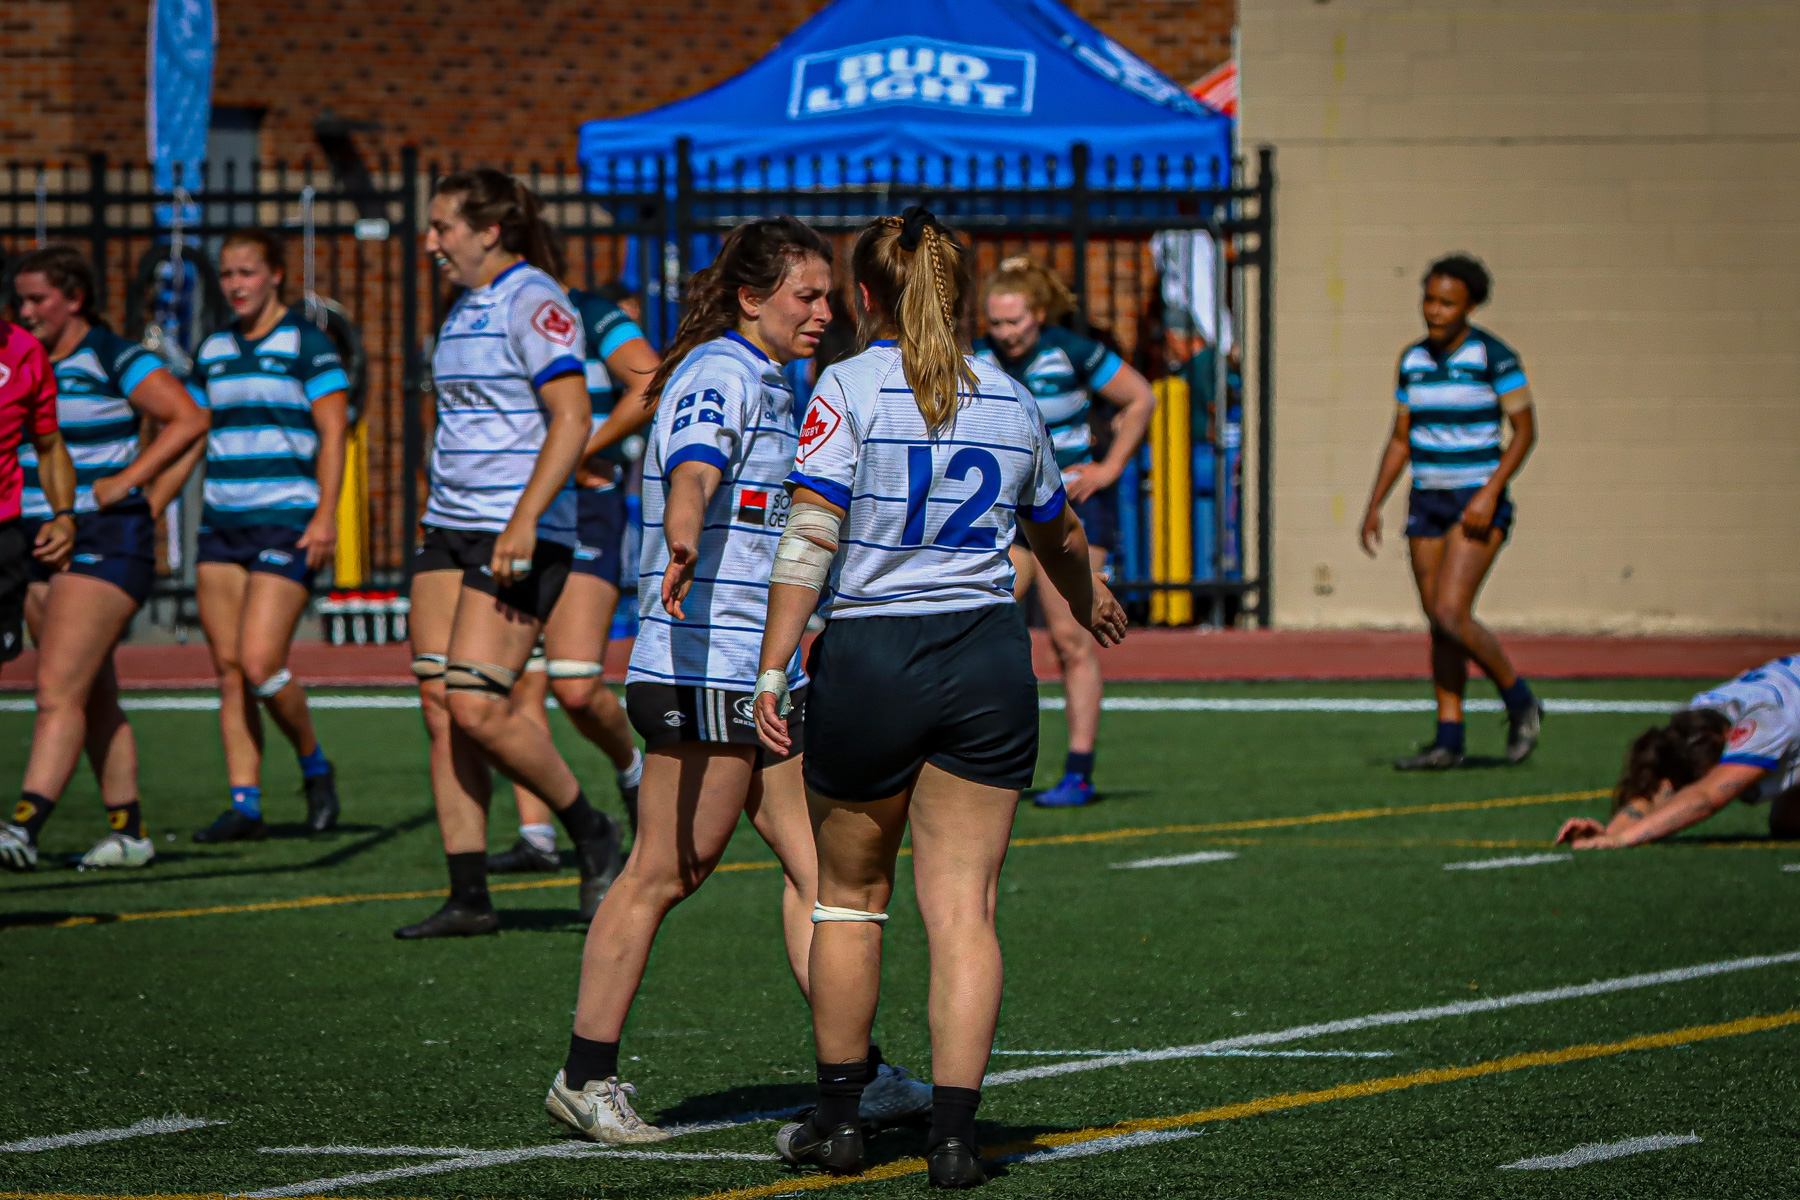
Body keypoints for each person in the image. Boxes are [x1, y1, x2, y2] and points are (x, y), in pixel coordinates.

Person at [753, 209, 1128, 1186]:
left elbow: (810, 532)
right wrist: (1087, 598)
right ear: (957, 296)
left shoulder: (844, 384)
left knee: (847, 904)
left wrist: (771, 662)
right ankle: (956, 1140)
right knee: (964, 909)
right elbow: (1057, 530)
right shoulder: (1006, 393)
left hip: (875, 655)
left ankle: (841, 1123)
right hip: (984, 659)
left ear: (866, 297)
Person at [544, 217, 931, 1146]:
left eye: (830, 295)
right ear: (752, 298)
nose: (823, 311)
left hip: (756, 671)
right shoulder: (720, 370)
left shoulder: (768, 375)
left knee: (822, 873)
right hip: (703, 665)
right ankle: (585, 1076)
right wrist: (683, 530)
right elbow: (694, 466)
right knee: (666, 871)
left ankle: (859, 1073)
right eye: (806, 295)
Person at [396, 169, 625, 939]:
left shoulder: (536, 300)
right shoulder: (465, 306)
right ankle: (469, 895)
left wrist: (525, 519)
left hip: (515, 531)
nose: (429, 241)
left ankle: (590, 827)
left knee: (479, 704)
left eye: (442, 227)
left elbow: (571, 416)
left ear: (488, 231)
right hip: (450, 527)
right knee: (439, 707)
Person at [0, 245, 207, 870]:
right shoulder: (22, 362)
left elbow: (190, 419)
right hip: (38, 539)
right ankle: (130, 833)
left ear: (75, 299)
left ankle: (23, 828)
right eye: (22, 300)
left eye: (39, 299)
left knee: (57, 689)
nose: (27, 310)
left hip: (104, 539)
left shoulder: (112, 356)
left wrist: (131, 487)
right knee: (91, 693)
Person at [184, 230, 350, 842]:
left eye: (247, 272)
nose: (236, 285)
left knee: (259, 662)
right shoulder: (214, 348)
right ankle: (245, 803)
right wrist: (150, 502)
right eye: (227, 274)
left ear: (276, 275)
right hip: (222, 522)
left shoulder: (309, 346)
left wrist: (325, 514)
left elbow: (335, 433)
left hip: (287, 516)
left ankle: (314, 767)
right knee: (229, 669)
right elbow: (195, 431)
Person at [488, 282, 657, 875]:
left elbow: (651, 382)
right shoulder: (483, 314)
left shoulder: (588, 311)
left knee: (576, 684)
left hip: (584, 508)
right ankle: (537, 836)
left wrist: (583, 450)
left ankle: (633, 773)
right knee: (512, 686)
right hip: (506, 508)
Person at [973, 256, 1154, 808]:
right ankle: (973, 755)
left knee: (1070, 639)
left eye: (1015, 322)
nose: (1005, 334)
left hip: (1069, 510)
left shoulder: (1071, 351)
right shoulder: (978, 359)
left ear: (1039, 314)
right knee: (979, 619)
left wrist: (1109, 468)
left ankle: (1078, 770)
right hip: (1008, 514)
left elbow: (1141, 397)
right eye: (997, 323)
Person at [1359, 253, 1541, 770]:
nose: (1434, 311)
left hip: (1473, 502)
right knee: (1437, 623)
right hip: (1427, 498)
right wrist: (1375, 503)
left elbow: (1525, 431)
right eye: (1429, 299)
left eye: (1447, 302)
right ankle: (1449, 736)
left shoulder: (1494, 357)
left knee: (1451, 612)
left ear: (1471, 306)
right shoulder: (1412, 360)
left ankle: (1520, 698)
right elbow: (1401, 439)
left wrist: (1489, 493)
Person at [1557, 655, 1800, 849]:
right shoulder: (1701, 713)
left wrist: (1626, 839)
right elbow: (1663, 787)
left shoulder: (1764, 721)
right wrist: (1612, 832)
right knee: (1787, 824)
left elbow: (1706, 797)